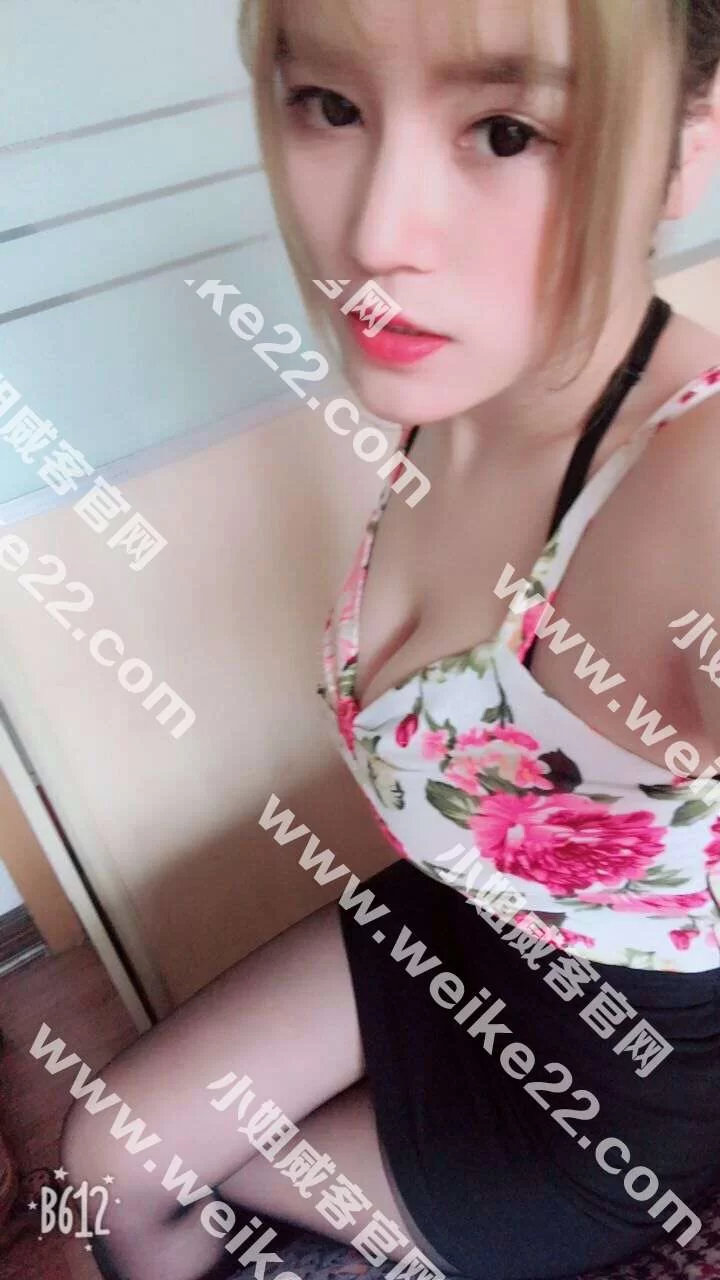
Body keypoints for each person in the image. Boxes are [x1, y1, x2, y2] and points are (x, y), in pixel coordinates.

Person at [61, 2, 720, 1278]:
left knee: (179, 1178)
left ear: (688, 148)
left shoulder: (693, 485)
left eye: (508, 130)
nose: (371, 236)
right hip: (461, 921)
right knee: (105, 1162)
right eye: (332, 106)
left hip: (607, 1106)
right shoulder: (454, 381)